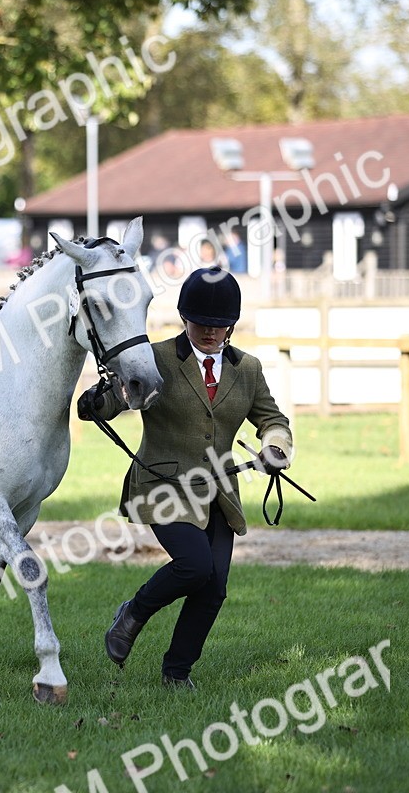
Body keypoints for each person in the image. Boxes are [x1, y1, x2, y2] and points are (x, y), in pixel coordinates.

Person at [76, 266, 293, 689]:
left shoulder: (247, 369)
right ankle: (133, 613)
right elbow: (119, 399)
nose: (210, 332)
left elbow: (273, 419)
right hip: (163, 485)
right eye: (201, 323)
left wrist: (277, 447)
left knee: (214, 589)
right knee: (194, 567)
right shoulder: (155, 358)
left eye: (218, 325)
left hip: (218, 493)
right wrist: (96, 403)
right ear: (183, 318)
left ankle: (177, 672)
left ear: (231, 324)